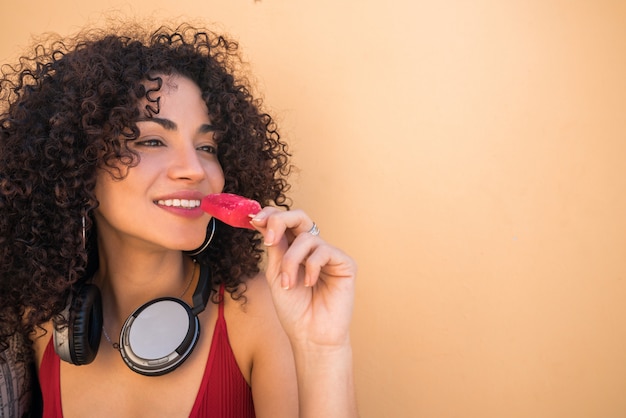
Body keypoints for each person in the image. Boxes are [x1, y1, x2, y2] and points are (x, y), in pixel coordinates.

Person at [0, 20, 357, 417]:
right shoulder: (41, 323)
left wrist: (323, 349)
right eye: (151, 140)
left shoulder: (258, 311)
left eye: (207, 146)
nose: (195, 169)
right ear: (79, 166)